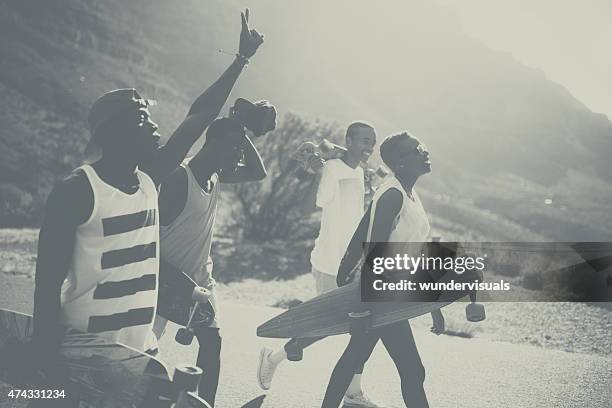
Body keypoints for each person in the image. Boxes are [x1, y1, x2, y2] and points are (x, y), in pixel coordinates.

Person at [29, 9, 264, 405]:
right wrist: (42, 362)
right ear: (114, 131)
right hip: (87, 348)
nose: (154, 125)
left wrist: (241, 60)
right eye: (142, 118)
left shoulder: (149, 178)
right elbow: (46, 283)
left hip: (138, 351)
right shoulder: (77, 191)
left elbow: (198, 115)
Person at [154, 102, 274, 406]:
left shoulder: (216, 175)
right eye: (235, 148)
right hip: (165, 280)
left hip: (200, 279)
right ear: (213, 143)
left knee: (212, 343)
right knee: (146, 349)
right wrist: (177, 284)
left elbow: (258, 172)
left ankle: (204, 404)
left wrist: (241, 129)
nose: (240, 157)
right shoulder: (180, 178)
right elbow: (150, 243)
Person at [257, 122, 380, 408]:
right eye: (364, 139)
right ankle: (274, 357)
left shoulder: (359, 172)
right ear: (349, 140)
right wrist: (320, 170)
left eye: (372, 141)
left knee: (363, 323)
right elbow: (307, 208)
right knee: (327, 326)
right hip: (330, 263)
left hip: (351, 263)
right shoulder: (333, 170)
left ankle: (353, 392)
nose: (369, 146)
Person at [320, 131, 445, 408]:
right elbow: (374, 254)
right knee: (411, 370)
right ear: (400, 162)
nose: (424, 151)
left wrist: (433, 304)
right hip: (380, 297)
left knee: (356, 358)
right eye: (417, 149)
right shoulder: (392, 195)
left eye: (422, 145)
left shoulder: (407, 192)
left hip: (391, 294)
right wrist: (363, 309)